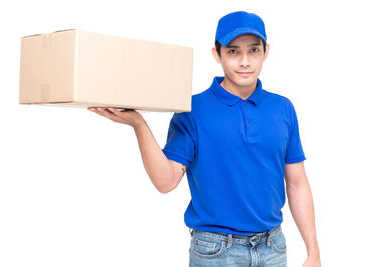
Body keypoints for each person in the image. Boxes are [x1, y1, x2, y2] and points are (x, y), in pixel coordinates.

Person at [88, 11, 321, 267]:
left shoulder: (283, 108)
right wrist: (139, 125)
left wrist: (313, 251)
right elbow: (165, 182)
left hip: (273, 248)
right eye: (233, 51)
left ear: (266, 52)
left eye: (253, 50)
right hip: (217, 251)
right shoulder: (193, 109)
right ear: (216, 54)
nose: (245, 61)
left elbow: (297, 183)